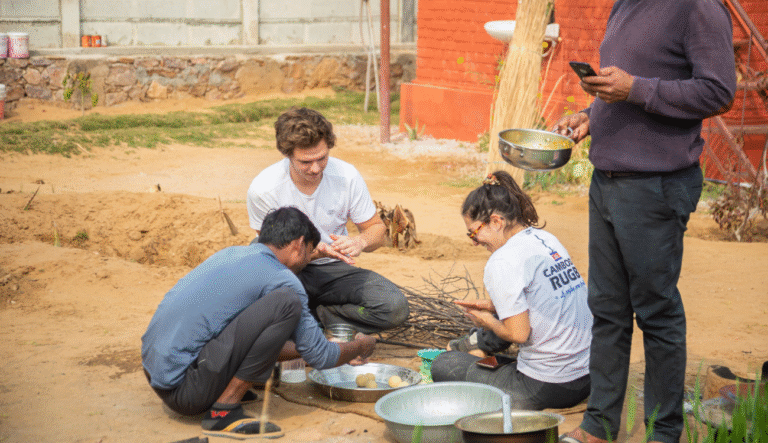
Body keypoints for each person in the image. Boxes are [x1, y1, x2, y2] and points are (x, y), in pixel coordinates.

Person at [552, 1, 737, 442]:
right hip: (609, 182)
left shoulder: (696, 7)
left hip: (655, 185)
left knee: (656, 311)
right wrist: (590, 116)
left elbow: (718, 92)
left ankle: (662, 430)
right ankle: (599, 425)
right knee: (608, 311)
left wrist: (635, 88)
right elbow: (627, 90)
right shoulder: (626, 5)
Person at [141, 207, 377, 439]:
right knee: (286, 302)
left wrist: (320, 347)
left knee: (270, 311)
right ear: (298, 244)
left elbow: (253, 340)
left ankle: (222, 389)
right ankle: (223, 411)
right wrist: (361, 346)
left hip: (158, 375)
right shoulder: (283, 279)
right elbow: (321, 357)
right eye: (309, 252)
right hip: (186, 391)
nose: (308, 259)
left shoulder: (232, 254)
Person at [430, 171, 593, 410]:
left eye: (474, 233)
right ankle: (479, 348)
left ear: (497, 222)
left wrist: (486, 320)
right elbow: (546, 299)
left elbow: (518, 335)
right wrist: (494, 306)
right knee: (488, 357)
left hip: (546, 386)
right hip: (587, 378)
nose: (474, 242)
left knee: (444, 364)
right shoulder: (544, 239)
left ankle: (476, 353)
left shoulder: (502, 261)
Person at [246, 107, 409, 334]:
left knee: (395, 308)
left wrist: (360, 242)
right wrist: (316, 252)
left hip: (333, 271)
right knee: (255, 268)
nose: (315, 169)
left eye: (322, 158)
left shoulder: (347, 176)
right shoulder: (264, 189)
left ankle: (321, 317)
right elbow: (266, 256)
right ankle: (303, 321)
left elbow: (377, 230)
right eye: (305, 162)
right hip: (289, 271)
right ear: (287, 154)